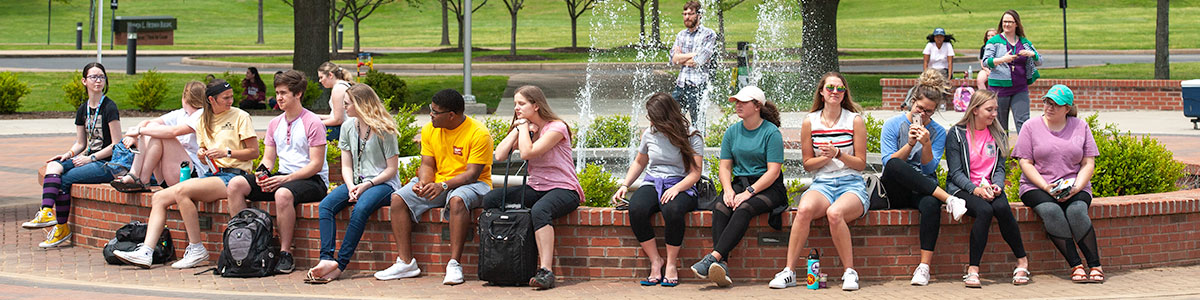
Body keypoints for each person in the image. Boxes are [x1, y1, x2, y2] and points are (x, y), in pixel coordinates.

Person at [112, 79, 260, 269]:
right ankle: (146, 252)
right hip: (212, 174)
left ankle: (196, 248)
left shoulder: (241, 116)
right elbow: (205, 154)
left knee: (182, 191)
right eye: (226, 98)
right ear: (211, 100)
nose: (231, 100)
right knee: (159, 198)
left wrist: (227, 153)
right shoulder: (203, 119)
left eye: (231, 96)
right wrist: (204, 155)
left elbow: (253, 152)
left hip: (234, 176)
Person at [374, 89, 493, 285]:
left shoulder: (478, 133)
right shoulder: (430, 129)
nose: (431, 114)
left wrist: (443, 185)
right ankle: (406, 263)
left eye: (435, 111)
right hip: (440, 182)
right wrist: (424, 183)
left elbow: (472, 174)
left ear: (451, 115)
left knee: (457, 200)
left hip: (476, 184)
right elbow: (428, 164)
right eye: (431, 109)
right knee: (398, 199)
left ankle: (454, 264)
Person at [769, 73, 866, 291]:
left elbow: (860, 164)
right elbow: (808, 164)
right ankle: (789, 272)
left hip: (851, 183)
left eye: (840, 89)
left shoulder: (854, 120)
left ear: (844, 93)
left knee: (835, 213)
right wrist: (827, 157)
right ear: (821, 92)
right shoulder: (810, 122)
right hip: (822, 183)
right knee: (803, 210)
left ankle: (850, 272)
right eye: (830, 88)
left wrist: (839, 154)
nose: (835, 92)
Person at [226, 70, 329, 274]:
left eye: (284, 93)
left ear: (298, 94)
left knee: (282, 194)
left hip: (312, 180)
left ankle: (285, 253)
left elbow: (316, 164)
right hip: (283, 176)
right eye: (277, 92)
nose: (278, 98)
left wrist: (285, 179)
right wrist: (262, 172)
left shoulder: (313, 122)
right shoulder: (275, 124)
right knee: (236, 184)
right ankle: (242, 242)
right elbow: (269, 159)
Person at [482, 85, 584, 289]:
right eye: (515, 105)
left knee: (540, 210)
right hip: (536, 187)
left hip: (564, 189)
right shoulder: (526, 129)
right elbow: (500, 155)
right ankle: (506, 259)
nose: (517, 108)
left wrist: (522, 131)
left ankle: (546, 271)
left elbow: (528, 153)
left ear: (536, 105)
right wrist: (518, 130)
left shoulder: (556, 127)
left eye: (521, 104)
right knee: (491, 199)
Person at [689, 85, 785, 288]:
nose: (738, 105)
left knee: (744, 208)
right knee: (720, 206)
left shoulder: (771, 132)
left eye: (743, 102)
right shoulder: (732, 132)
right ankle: (721, 266)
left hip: (768, 187)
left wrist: (749, 192)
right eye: (736, 102)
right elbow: (724, 167)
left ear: (757, 106)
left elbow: (773, 172)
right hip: (740, 184)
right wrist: (729, 190)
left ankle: (713, 257)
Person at [306, 84, 401, 283]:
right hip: (356, 183)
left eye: (347, 104)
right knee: (326, 206)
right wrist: (350, 186)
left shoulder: (385, 129)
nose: (343, 108)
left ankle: (340, 265)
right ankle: (326, 259)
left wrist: (367, 185)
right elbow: (346, 165)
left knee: (361, 208)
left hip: (383, 184)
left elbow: (392, 169)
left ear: (360, 104)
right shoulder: (348, 127)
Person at [881, 77, 970, 287]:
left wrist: (926, 143)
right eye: (920, 108)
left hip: (923, 187)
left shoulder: (938, 132)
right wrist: (910, 145)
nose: (922, 115)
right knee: (895, 164)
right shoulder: (893, 125)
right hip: (896, 186)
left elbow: (929, 169)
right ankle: (949, 199)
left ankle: (924, 267)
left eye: (928, 111)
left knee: (931, 205)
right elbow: (888, 164)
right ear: (912, 101)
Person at [23, 62, 123, 248]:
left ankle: (62, 228)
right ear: (84, 81)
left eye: (101, 76)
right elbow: (81, 143)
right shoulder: (82, 109)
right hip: (87, 157)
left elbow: (117, 144)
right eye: (93, 77)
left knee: (66, 179)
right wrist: (67, 154)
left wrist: (91, 158)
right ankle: (46, 212)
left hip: (107, 163)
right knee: (54, 166)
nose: (98, 80)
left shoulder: (109, 107)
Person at [1013, 85, 1104, 283]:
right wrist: (1047, 188)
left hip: (1074, 185)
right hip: (1037, 186)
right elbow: (1025, 163)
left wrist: (1077, 187)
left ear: (1067, 108)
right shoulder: (1030, 127)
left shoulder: (1081, 126)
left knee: (1076, 212)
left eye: (1055, 104)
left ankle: (1095, 265)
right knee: (1052, 211)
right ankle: (1076, 266)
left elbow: (1088, 163)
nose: (1049, 107)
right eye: (1047, 102)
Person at [612, 93, 703, 288]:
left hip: (682, 184)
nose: (651, 120)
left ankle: (671, 264)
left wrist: (677, 188)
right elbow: (639, 161)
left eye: (653, 116)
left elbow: (695, 173)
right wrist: (624, 185)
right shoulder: (650, 134)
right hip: (653, 182)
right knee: (636, 208)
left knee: (672, 210)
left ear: (666, 116)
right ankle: (656, 261)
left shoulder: (692, 135)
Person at [944, 89, 1030, 287]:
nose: (994, 114)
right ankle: (973, 269)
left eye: (995, 109)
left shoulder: (998, 133)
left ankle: (1022, 261)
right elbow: (956, 173)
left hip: (989, 186)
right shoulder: (957, 134)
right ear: (975, 110)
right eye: (989, 109)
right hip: (963, 188)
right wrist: (975, 190)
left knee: (1001, 207)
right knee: (984, 210)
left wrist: (997, 186)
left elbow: (1000, 168)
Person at [112, 81, 209, 192]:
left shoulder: (202, 114)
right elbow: (148, 123)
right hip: (169, 173)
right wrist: (132, 136)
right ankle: (135, 174)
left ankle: (142, 179)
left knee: (160, 133)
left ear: (184, 97)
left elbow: (173, 132)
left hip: (191, 174)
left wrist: (138, 131)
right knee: (153, 128)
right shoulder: (182, 113)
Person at [982, 9, 1043, 134]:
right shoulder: (994, 42)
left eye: (1010, 22)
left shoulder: (1024, 42)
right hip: (999, 89)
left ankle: (1023, 152)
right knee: (1000, 125)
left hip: (1020, 88)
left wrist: (1032, 54)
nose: (1007, 24)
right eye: (1005, 22)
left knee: (1023, 123)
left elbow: (1039, 61)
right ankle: (1002, 152)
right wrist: (1002, 59)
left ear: (1016, 24)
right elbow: (985, 61)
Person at [669, 0, 717, 122]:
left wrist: (682, 57)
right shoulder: (681, 35)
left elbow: (698, 60)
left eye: (690, 14)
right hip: (681, 84)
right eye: (684, 14)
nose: (687, 17)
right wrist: (692, 54)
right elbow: (673, 59)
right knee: (671, 119)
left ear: (699, 15)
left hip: (698, 85)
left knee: (698, 123)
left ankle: (699, 141)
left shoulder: (708, 34)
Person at [318, 62, 353, 141]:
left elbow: (338, 120)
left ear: (330, 75)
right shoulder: (343, 85)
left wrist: (316, 124)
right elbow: (335, 116)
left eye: (321, 77)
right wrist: (316, 117)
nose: (320, 81)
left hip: (344, 131)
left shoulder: (338, 89)